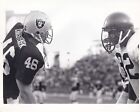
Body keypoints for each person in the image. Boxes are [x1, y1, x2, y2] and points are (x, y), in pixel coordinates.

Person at [3, 11, 53, 104]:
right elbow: (25, 93)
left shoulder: (17, 28)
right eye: (46, 30)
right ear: (38, 31)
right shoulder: (31, 53)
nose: (47, 33)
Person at [101, 12, 139, 103]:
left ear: (124, 32)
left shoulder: (136, 43)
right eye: (108, 33)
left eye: (112, 33)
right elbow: (132, 81)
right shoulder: (120, 50)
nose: (109, 37)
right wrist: (128, 100)